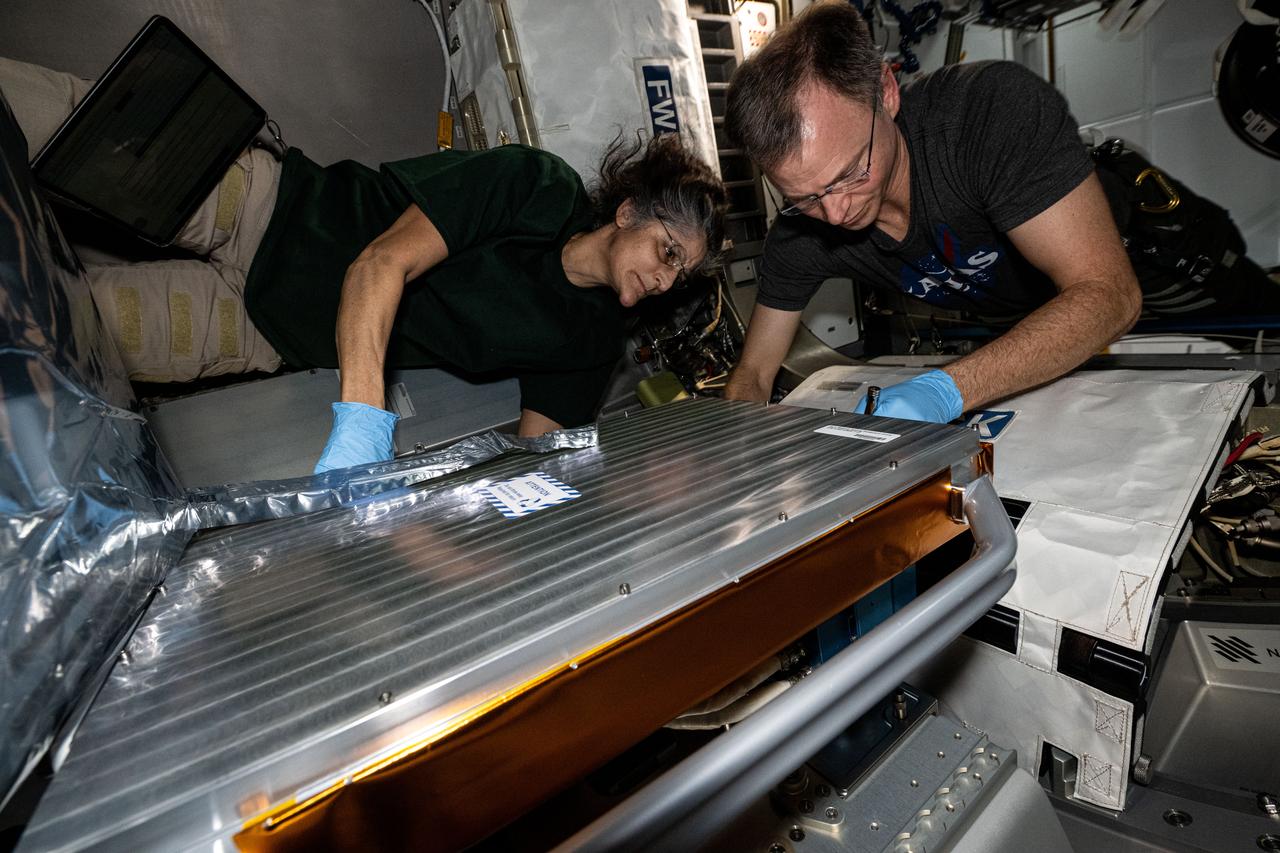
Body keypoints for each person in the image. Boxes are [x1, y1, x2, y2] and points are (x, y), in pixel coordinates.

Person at [0, 57, 727, 472]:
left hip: (268, 328)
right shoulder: (537, 188)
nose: (665, 280)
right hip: (267, 207)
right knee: (57, 131)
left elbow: (536, 460)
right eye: (668, 251)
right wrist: (362, 426)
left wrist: (470, 537)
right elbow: (377, 265)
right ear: (628, 208)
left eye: (679, 274)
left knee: (50, 334)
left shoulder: (587, 344)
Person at [720, 3, 1271, 421]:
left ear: (885, 92)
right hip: (1041, 320)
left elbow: (1109, 294)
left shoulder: (988, 115)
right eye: (805, 197)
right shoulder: (802, 234)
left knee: (1260, 358)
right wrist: (746, 452)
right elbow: (754, 371)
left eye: (850, 172)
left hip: (1165, 267)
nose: (835, 213)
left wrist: (944, 389)